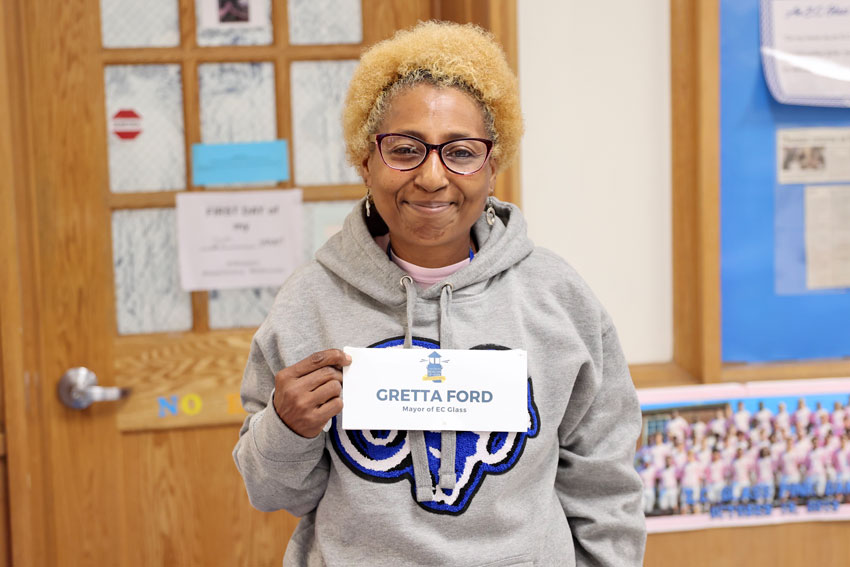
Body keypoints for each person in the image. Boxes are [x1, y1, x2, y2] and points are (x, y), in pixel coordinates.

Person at [232, 21, 645, 566]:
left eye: (461, 151)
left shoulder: (558, 299)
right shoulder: (309, 304)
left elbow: (605, 486)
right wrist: (285, 429)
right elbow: (274, 492)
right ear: (365, 159)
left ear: (493, 163)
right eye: (404, 149)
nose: (431, 177)